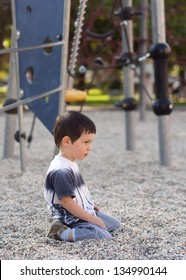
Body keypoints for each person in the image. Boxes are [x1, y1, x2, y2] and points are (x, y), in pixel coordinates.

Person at [44, 110, 121, 242]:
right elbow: (66, 201)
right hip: (70, 218)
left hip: (81, 213)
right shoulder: (61, 170)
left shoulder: (70, 163)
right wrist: (90, 217)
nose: (90, 147)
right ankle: (61, 232)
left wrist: (88, 205)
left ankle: (86, 223)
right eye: (86, 142)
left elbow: (77, 192)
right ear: (67, 141)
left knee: (115, 224)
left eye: (91, 142)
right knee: (103, 235)